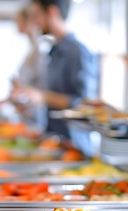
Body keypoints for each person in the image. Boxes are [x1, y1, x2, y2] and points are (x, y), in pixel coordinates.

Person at [19, 0, 99, 153]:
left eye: (37, 15)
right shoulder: (53, 51)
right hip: (57, 142)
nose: (35, 22)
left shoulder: (77, 51)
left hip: (76, 147)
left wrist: (42, 97)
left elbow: (85, 105)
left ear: (53, 12)